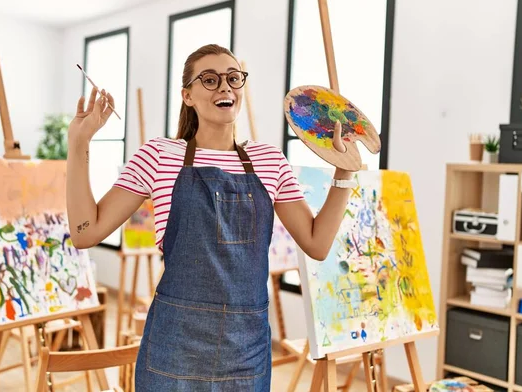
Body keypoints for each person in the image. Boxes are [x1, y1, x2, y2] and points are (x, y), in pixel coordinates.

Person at [66, 44, 355, 391]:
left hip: (245, 348)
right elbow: (85, 233)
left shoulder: (270, 160)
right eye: (210, 79)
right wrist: (79, 142)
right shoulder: (159, 155)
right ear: (187, 95)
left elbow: (317, 243)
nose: (225, 87)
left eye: (233, 78)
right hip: (175, 344)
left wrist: (344, 174)